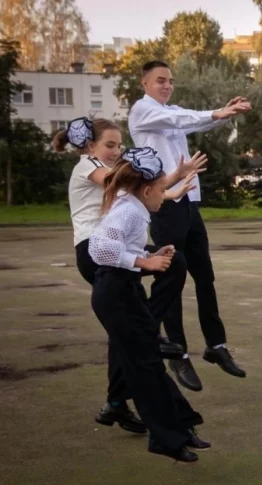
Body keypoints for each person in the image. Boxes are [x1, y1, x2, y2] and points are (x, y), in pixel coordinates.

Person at [53, 117, 202, 432]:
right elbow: (123, 182)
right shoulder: (85, 165)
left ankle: (117, 402)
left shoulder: (114, 181)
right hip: (96, 251)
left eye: (119, 145)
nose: (116, 150)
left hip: (114, 245)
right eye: (110, 144)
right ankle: (148, 337)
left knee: (127, 326)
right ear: (90, 145)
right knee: (131, 326)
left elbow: (139, 192)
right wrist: (172, 176)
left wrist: (170, 188)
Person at [128, 60, 251, 392]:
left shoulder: (171, 111)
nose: (167, 86)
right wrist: (215, 114)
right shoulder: (143, 112)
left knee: (205, 275)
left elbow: (190, 122)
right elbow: (181, 118)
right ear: (144, 83)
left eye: (170, 81)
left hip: (189, 202)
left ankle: (216, 345)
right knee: (172, 277)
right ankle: (177, 352)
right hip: (165, 202)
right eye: (160, 81)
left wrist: (221, 114)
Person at [89, 147, 209, 462]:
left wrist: (148, 257)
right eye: (161, 190)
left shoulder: (133, 204)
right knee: (143, 366)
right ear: (146, 191)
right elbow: (99, 249)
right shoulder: (128, 209)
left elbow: (119, 247)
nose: (164, 195)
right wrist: (144, 261)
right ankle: (170, 436)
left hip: (122, 290)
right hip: (114, 294)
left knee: (147, 363)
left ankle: (179, 429)